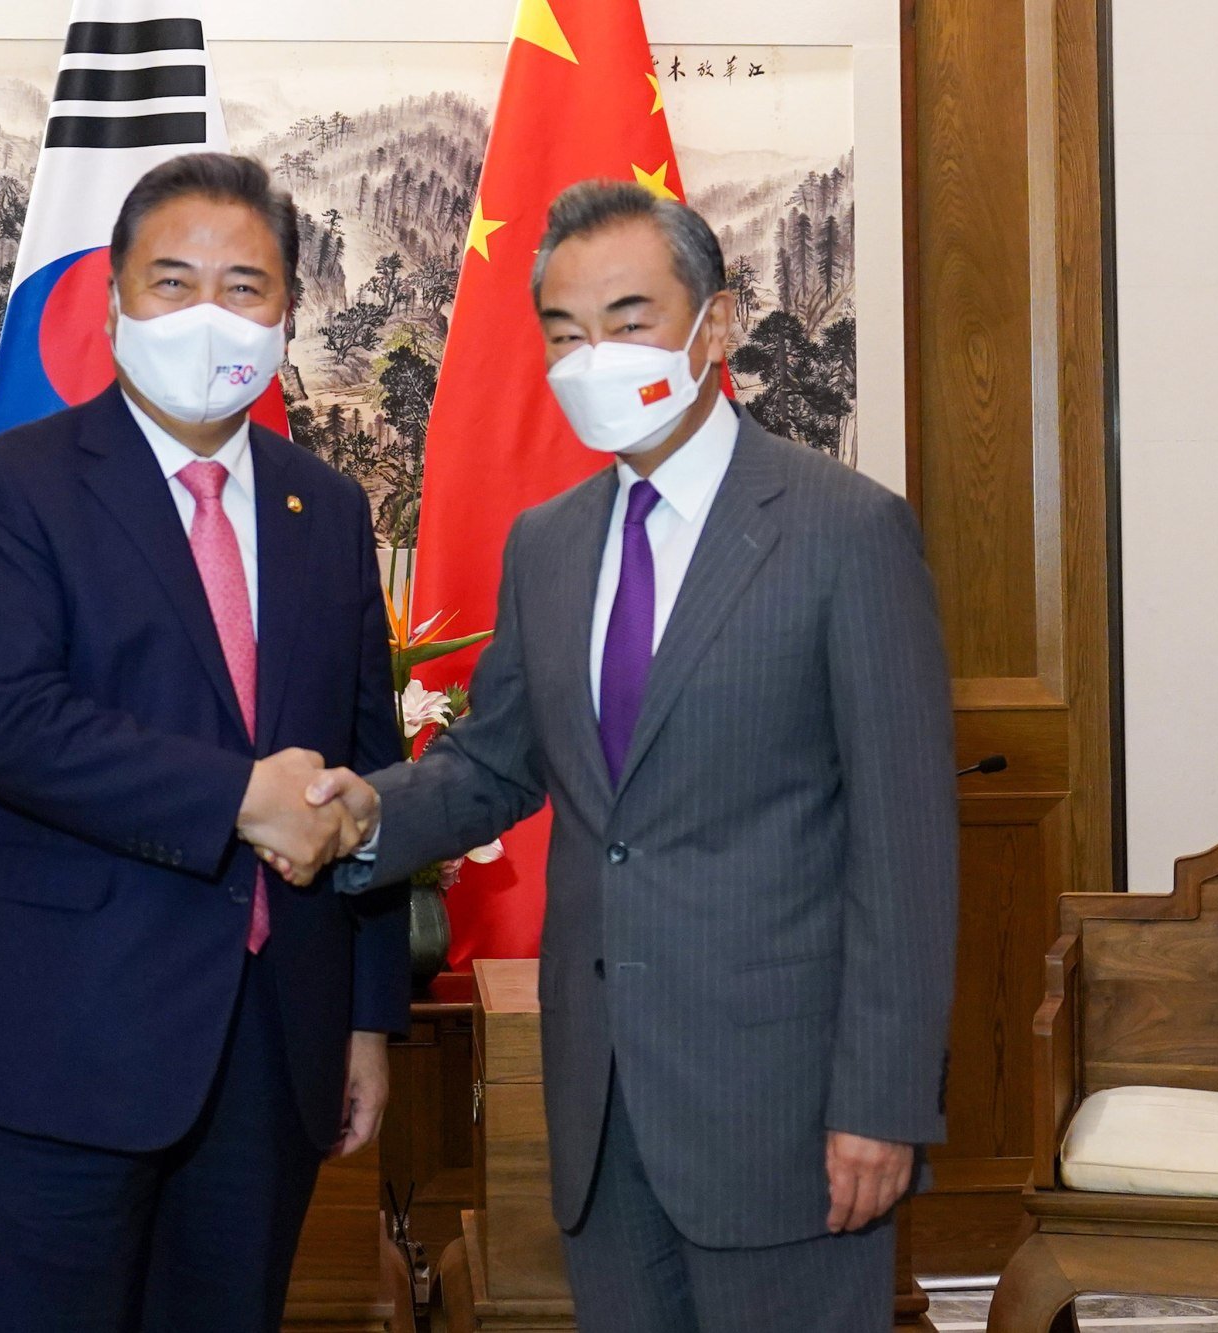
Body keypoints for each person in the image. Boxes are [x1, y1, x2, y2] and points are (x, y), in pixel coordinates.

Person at [304, 180, 958, 1332]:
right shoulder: (548, 543)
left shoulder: (844, 530)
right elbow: (496, 764)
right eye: (564, 332)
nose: (591, 356)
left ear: (713, 325)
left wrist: (883, 1103)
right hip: (601, 1104)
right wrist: (354, 817)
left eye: (627, 319)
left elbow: (904, 850)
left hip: (788, 1111)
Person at [0, 152, 406, 1333]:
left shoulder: (324, 506)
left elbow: (367, 768)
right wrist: (241, 794)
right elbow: (12, 724)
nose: (206, 315)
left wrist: (368, 1017)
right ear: (114, 300)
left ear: (287, 311)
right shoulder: (9, 488)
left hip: (269, 1042)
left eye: (244, 286)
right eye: (171, 281)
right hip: (56, 1040)